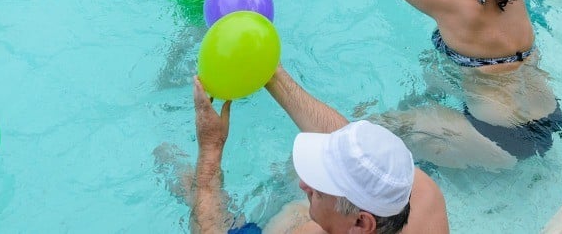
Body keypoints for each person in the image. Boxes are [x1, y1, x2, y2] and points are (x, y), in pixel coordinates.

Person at [350, 0, 562, 169]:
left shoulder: (452, 4)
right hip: (548, 117)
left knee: (375, 129)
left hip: (498, 136)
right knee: (438, 71)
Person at [184, 65, 450, 233]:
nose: (305, 184)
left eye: (320, 191)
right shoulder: (421, 193)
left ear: (361, 223)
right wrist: (271, 73)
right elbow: (352, 148)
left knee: (183, 178)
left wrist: (211, 149)